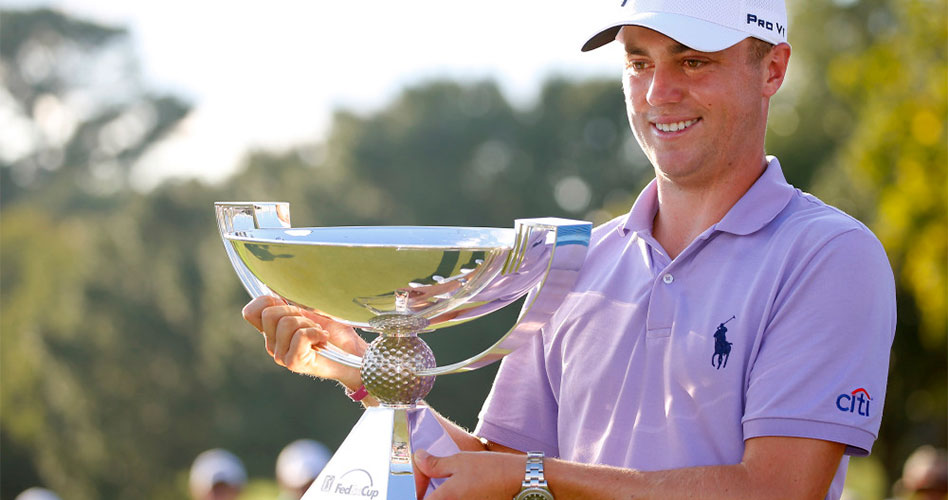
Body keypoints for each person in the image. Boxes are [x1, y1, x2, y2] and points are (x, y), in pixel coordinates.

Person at [242, 1, 897, 498]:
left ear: (772, 69)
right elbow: (494, 468)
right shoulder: (580, 261)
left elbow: (775, 490)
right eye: (639, 62)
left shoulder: (830, 256)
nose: (658, 91)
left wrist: (532, 476)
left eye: (693, 60)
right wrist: (367, 370)